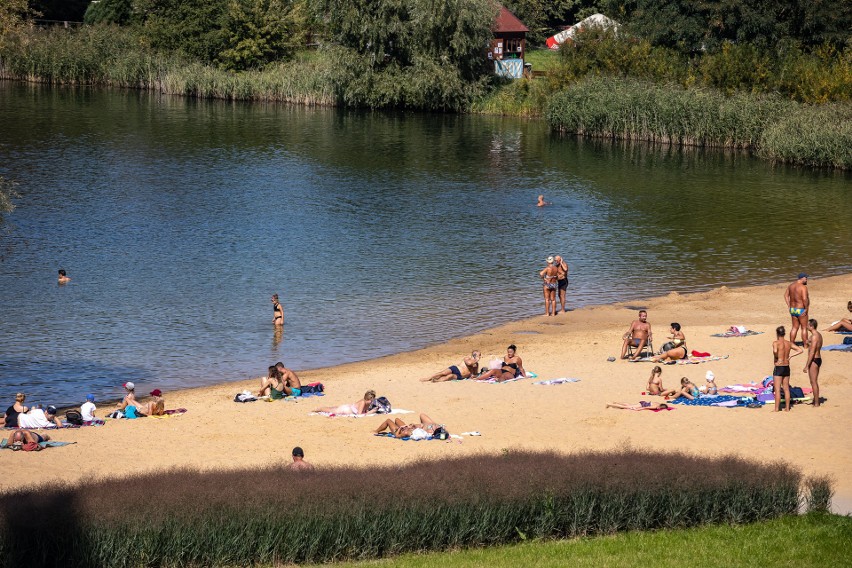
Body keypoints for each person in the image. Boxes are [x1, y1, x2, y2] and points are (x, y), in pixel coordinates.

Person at [773, 325, 803, 412]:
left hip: (779, 367)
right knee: (786, 388)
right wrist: (790, 356)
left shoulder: (776, 343)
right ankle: (787, 408)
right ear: (784, 333)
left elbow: (775, 351)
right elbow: (800, 350)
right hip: (786, 366)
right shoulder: (788, 343)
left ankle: (776, 409)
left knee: (777, 389)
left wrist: (776, 357)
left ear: (777, 333)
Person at [784, 273, 809, 346]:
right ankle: (805, 345)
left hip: (793, 309)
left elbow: (785, 296)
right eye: (806, 278)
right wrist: (806, 308)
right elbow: (804, 299)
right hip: (801, 309)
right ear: (802, 278)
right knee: (804, 328)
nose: (807, 279)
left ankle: (791, 344)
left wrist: (789, 306)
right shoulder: (803, 287)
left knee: (794, 327)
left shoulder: (791, 286)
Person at [803, 319, 823, 408]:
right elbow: (809, 342)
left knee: (813, 382)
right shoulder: (817, 335)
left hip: (814, 360)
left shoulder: (815, 336)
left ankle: (816, 403)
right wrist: (808, 341)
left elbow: (812, 352)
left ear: (811, 326)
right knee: (813, 381)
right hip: (817, 359)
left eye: (807, 325)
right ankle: (815, 400)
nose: (806, 326)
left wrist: (807, 365)